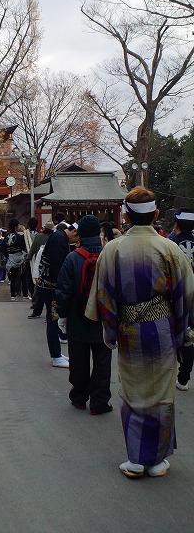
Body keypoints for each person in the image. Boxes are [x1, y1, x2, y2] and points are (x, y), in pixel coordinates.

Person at [86, 187, 194, 479]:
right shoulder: (169, 248)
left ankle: (136, 459)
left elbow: (105, 297)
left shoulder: (113, 249)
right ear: (156, 214)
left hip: (129, 330)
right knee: (161, 394)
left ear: (125, 215)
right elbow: (185, 294)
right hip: (162, 329)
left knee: (133, 392)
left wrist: (111, 331)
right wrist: (182, 331)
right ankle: (157, 460)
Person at [56, 215, 112, 414]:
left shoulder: (73, 258)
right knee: (103, 362)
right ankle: (100, 401)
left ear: (80, 234)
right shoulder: (109, 255)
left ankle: (79, 397)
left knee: (78, 360)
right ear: (99, 233)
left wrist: (62, 315)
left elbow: (63, 291)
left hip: (77, 317)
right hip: (103, 319)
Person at [37, 223, 79, 367]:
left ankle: (57, 353)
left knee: (53, 319)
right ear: (74, 232)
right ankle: (55, 355)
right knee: (53, 319)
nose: (76, 242)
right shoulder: (59, 239)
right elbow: (58, 267)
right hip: (51, 286)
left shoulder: (58, 236)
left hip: (48, 284)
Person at [169, 208, 194, 391]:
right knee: (189, 336)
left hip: (176, 294)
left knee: (173, 333)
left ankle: (171, 374)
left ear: (176, 225)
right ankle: (184, 377)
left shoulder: (170, 243)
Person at [27, 220, 54, 318]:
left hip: (41, 265)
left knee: (39, 288)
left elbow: (32, 250)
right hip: (52, 267)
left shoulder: (38, 237)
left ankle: (36, 307)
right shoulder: (54, 237)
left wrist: (28, 258)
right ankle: (50, 314)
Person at [3, 219, 29, 301]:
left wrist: (8, 256)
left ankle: (13, 295)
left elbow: (3, 249)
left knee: (13, 278)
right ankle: (25, 295)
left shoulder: (6, 237)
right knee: (23, 277)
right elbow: (23, 247)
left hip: (11, 258)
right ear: (15, 227)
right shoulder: (19, 237)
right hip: (19, 258)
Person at [24, 217, 38, 298]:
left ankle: (32, 293)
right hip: (37, 258)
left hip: (27, 258)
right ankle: (37, 294)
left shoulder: (25, 235)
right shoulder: (39, 235)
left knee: (29, 277)